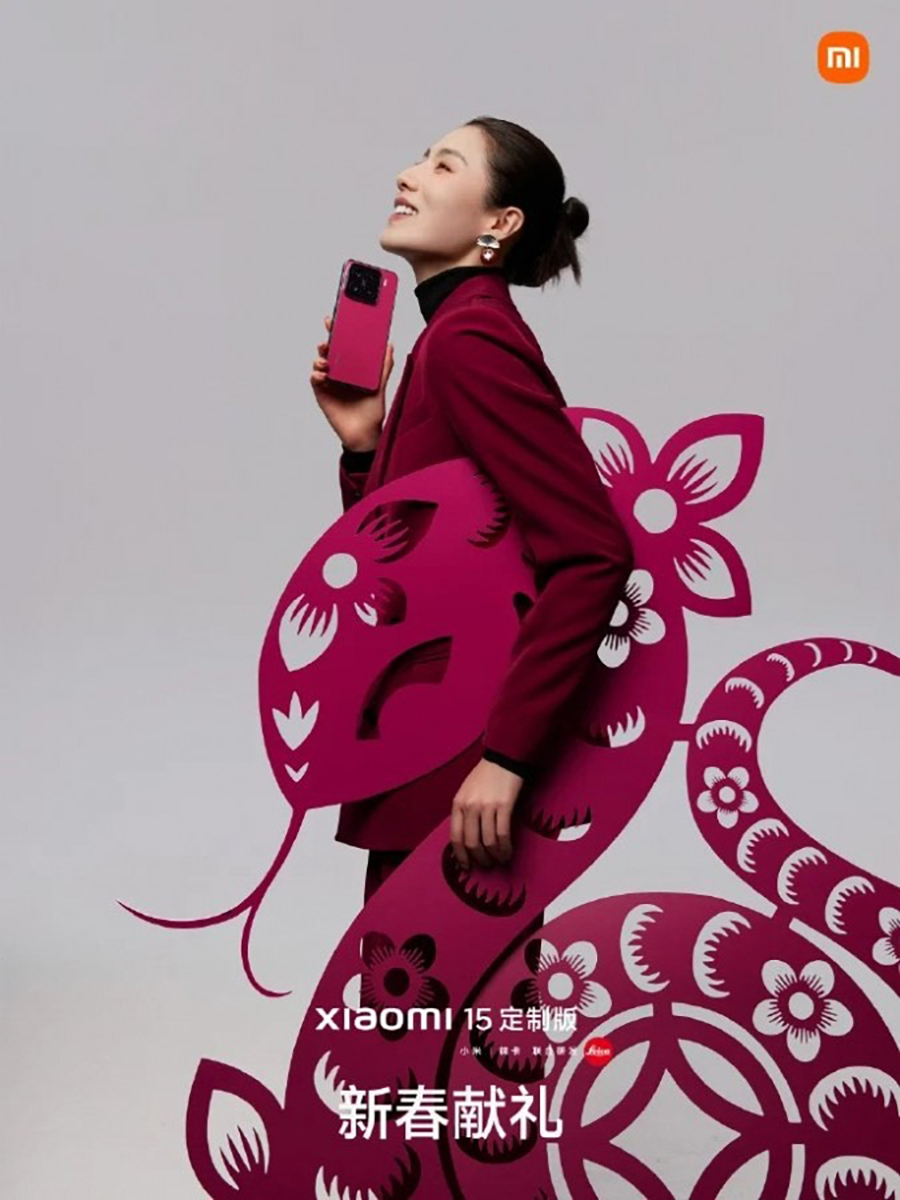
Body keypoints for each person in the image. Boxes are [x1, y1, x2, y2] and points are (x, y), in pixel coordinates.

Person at [309, 117, 634, 903]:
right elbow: (421, 563)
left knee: (441, 981)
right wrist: (365, 444)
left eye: (444, 165)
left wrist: (506, 757)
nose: (408, 174)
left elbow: (592, 551)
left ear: (500, 224)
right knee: (423, 982)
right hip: (429, 742)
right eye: (422, 158)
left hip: (461, 757)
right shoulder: (449, 339)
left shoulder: (469, 340)